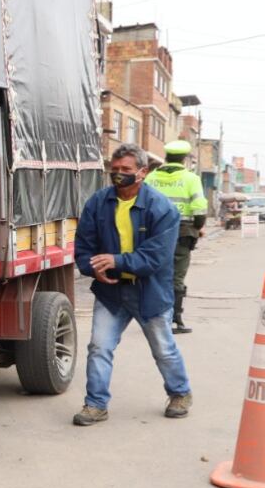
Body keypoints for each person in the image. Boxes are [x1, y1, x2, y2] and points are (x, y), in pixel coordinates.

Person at [72, 143, 193, 426]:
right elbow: (83, 247)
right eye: (114, 170)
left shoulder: (162, 208)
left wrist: (115, 261)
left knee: (163, 348)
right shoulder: (98, 203)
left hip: (148, 292)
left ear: (143, 172)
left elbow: (157, 258)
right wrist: (93, 268)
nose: (118, 174)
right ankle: (95, 404)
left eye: (125, 170)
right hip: (111, 292)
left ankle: (180, 393)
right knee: (99, 347)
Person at [144, 139, 208, 333]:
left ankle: (151, 317)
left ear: (166, 157)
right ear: (184, 159)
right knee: (176, 276)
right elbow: (199, 209)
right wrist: (197, 228)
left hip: (153, 233)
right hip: (182, 233)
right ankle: (174, 320)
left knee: (154, 274)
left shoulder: (151, 177)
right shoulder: (191, 178)